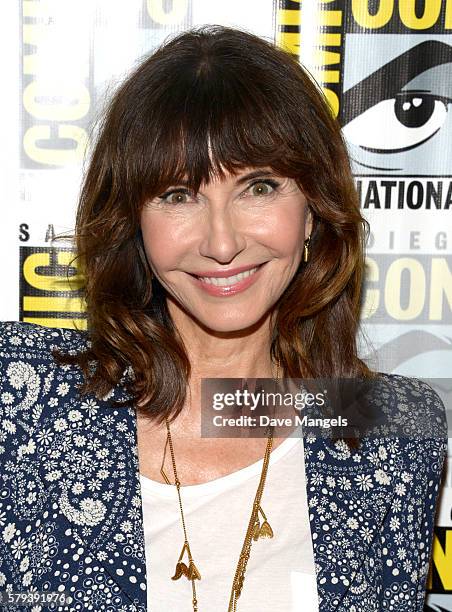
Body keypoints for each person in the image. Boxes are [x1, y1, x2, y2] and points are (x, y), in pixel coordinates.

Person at [0, 25, 447, 612]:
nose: (222, 242)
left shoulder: (392, 427)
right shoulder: (23, 400)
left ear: (313, 208)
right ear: (133, 220)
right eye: (178, 195)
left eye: (258, 187)